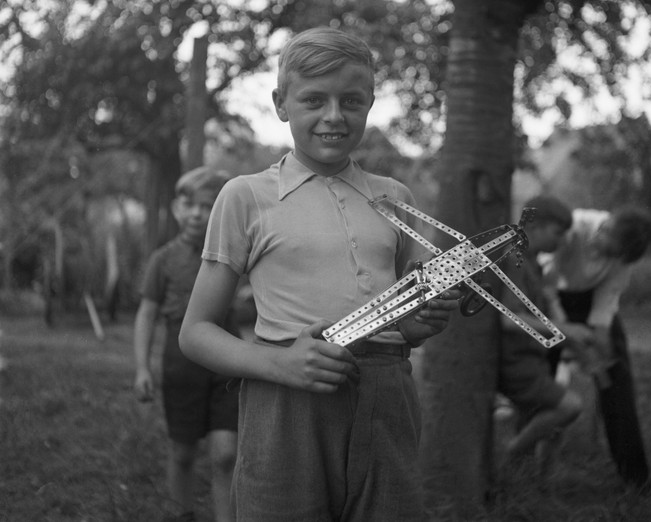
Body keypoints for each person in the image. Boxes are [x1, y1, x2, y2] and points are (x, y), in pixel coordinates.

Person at [179, 27, 460, 522]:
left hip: (387, 395)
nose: (334, 116)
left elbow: (405, 326)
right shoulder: (246, 196)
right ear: (281, 103)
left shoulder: (396, 199)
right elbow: (196, 333)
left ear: (371, 102)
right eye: (313, 100)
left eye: (351, 100)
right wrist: (280, 365)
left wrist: (424, 320)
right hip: (287, 401)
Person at [133, 167, 238, 522]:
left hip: (227, 367)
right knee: (183, 452)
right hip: (180, 369)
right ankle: (183, 513)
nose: (197, 213)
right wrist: (142, 368)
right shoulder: (162, 260)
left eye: (208, 205)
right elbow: (146, 315)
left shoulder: (236, 257)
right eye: (189, 204)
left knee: (226, 454)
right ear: (177, 208)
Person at [541, 203, 651, 492]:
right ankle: (528, 466)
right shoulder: (571, 227)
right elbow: (547, 284)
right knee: (540, 371)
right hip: (551, 300)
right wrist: (565, 331)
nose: (610, 257)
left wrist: (600, 334)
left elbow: (608, 294)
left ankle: (635, 477)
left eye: (616, 255)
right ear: (606, 227)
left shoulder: (625, 251)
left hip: (592, 302)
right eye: (609, 248)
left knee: (616, 377)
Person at [496, 196, 582, 470]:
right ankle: (509, 456)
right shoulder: (515, 259)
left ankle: (532, 480)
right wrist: (564, 330)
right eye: (557, 233)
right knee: (569, 406)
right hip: (513, 359)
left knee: (546, 420)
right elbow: (508, 319)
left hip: (532, 358)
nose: (561, 241)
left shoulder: (533, 263)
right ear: (534, 227)